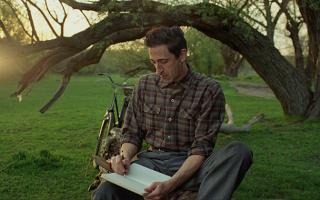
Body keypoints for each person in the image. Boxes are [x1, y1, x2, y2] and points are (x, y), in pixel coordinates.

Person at [92, 26, 252, 200]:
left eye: (163, 61)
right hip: (151, 164)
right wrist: (124, 157)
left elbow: (201, 150)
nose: (157, 70)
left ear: (182, 55)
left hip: (192, 165)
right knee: (105, 192)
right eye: (153, 62)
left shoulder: (209, 90)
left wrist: (170, 185)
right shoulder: (144, 85)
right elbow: (131, 134)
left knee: (239, 151)